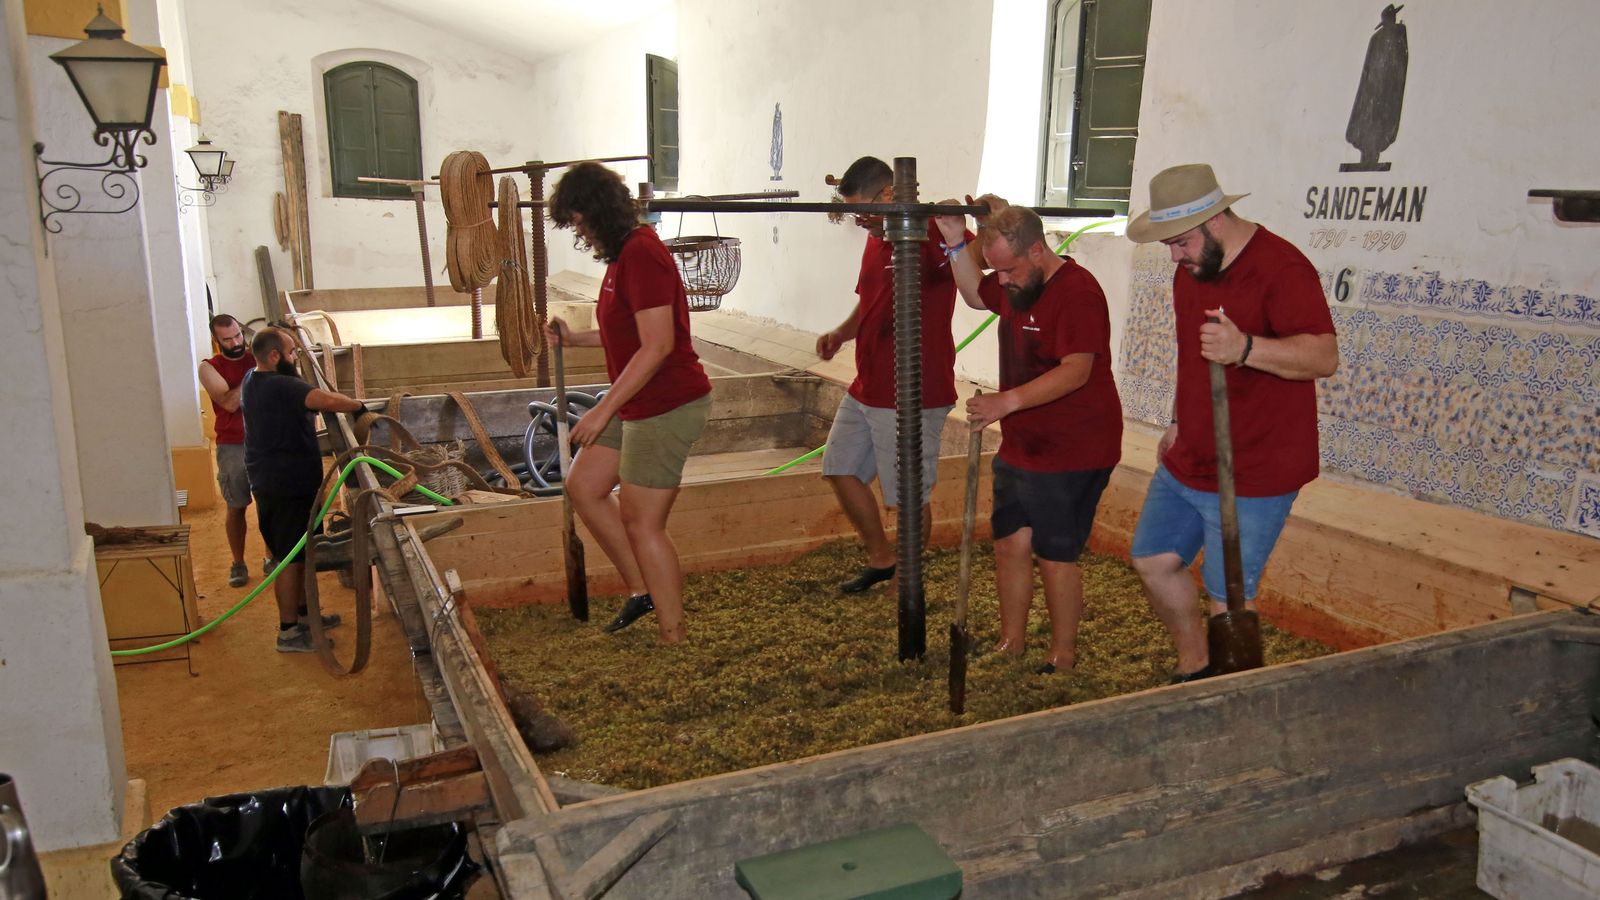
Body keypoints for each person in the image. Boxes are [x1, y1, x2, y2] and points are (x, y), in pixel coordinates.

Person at [1124, 164, 1339, 682]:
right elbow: (1191, 354)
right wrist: (1177, 418)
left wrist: (1246, 348)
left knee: (1229, 597)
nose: (1174, 257)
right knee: (1152, 560)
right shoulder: (1191, 271)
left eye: (1179, 242)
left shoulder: (1282, 268)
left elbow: (1323, 357)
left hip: (1257, 466)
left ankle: (1233, 692)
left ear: (1215, 222)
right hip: (1193, 452)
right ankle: (1196, 664)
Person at [937, 199, 1123, 674]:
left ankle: (1062, 654)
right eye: (995, 270)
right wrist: (957, 240)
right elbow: (975, 295)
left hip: (1074, 445)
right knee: (1009, 542)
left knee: (1055, 552)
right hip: (1024, 443)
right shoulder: (1017, 285)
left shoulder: (1078, 292)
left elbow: (1077, 371)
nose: (1000, 281)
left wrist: (1006, 402)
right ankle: (1011, 641)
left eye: (1008, 270)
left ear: (1038, 251)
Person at [544, 162, 712, 644]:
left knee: (642, 521)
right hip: (636, 399)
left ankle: (673, 634)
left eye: (578, 221)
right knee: (586, 486)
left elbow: (657, 346)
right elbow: (627, 332)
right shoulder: (622, 258)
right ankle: (642, 590)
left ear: (596, 212)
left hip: (667, 402)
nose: (579, 233)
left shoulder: (642, 255)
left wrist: (600, 409)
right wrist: (574, 340)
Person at [815, 156, 971, 594]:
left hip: (916, 389)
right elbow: (870, 299)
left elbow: (974, 261)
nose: (860, 220)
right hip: (869, 384)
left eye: (864, 209)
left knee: (908, 495)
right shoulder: (875, 237)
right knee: (839, 467)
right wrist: (842, 333)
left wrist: (963, 226)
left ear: (889, 195)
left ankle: (910, 582)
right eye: (853, 212)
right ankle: (883, 559)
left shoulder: (931, 233)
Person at [241, 327, 364, 652]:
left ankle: (307, 616)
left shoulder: (252, 379)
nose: (296, 357)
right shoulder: (281, 385)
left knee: (303, 552)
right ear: (274, 356)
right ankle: (288, 632)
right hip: (285, 487)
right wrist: (358, 406)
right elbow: (324, 400)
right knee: (289, 558)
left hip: (282, 483)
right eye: (293, 352)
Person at [198, 314, 257, 587]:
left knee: (270, 502)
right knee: (236, 506)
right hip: (232, 444)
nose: (236, 342)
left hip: (265, 440)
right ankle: (238, 562)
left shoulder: (255, 355)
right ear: (216, 340)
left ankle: (272, 556)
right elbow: (230, 403)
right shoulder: (209, 367)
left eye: (238, 336)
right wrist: (257, 371)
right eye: (227, 339)